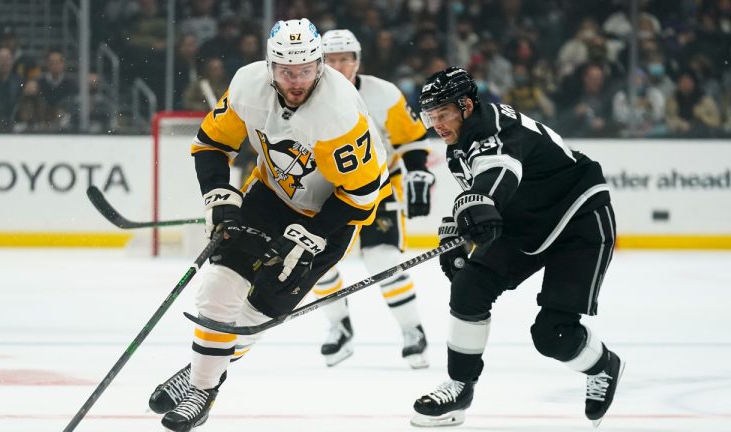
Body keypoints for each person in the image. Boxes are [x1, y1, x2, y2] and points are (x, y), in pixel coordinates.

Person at [149, 19, 391, 432]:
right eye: (285, 71)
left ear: (319, 64)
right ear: (270, 65)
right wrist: (218, 194)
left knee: (255, 316)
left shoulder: (339, 112)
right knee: (217, 288)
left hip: (329, 218)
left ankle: (199, 372)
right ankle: (203, 389)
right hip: (269, 198)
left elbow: (364, 192)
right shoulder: (247, 85)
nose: (296, 81)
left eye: (305, 70)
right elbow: (212, 143)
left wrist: (314, 232)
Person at [410, 67, 623, 427]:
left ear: (465, 105)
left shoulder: (494, 127)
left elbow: (500, 171)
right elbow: (478, 190)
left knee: (553, 335)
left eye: (443, 114)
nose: (437, 125)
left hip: (579, 218)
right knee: (469, 286)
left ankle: (603, 367)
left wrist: (479, 206)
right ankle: (460, 387)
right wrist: (453, 233)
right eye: (431, 116)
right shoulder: (457, 147)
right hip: (525, 224)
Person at [313, 29, 434, 368]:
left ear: (357, 61)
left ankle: (413, 331)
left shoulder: (383, 94)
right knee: (314, 261)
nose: (339, 66)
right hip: (326, 191)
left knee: (382, 261)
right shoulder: (304, 95)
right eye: (331, 59)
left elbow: (411, 139)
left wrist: (418, 172)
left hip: (378, 188)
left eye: (345, 59)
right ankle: (339, 326)